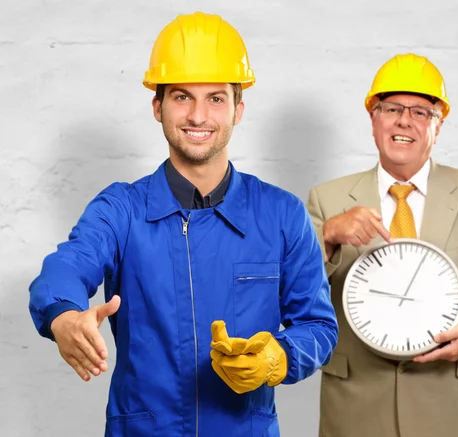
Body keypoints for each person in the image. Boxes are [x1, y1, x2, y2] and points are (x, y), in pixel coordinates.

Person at [28, 11, 337, 437]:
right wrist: (62, 316)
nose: (198, 115)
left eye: (215, 98)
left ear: (238, 109)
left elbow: (318, 326)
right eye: (181, 97)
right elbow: (64, 268)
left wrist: (278, 357)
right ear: (157, 107)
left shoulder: (282, 215)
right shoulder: (121, 209)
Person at [306, 53, 458, 437]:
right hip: (354, 412)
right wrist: (326, 235)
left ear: (438, 125)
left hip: (448, 409)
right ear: (373, 118)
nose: (404, 121)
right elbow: (293, 292)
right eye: (391, 108)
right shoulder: (327, 200)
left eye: (421, 112)